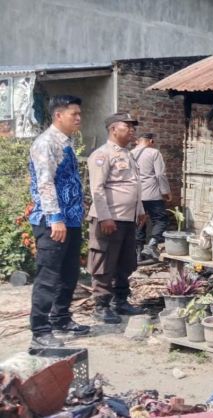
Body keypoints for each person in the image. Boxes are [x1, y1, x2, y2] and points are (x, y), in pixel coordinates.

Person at [27, 95, 89, 348]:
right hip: (53, 221)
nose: (78, 118)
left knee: (69, 272)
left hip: (70, 220)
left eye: (79, 114)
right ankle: (40, 330)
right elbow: (45, 182)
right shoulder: (46, 143)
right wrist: (55, 218)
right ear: (58, 115)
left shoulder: (66, 142)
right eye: (74, 114)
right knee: (49, 275)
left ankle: (61, 317)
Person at [87, 112, 147, 324]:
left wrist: (139, 209)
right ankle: (101, 306)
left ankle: (120, 301)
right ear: (113, 129)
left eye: (133, 127)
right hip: (109, 219)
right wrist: (105, 217)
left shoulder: (128, 154)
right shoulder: (102, 155)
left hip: (127, 218)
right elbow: (97, 189)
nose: (132, 131)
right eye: (127, 127)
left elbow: (134, 185)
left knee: (125, 262)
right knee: (104, 261)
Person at [131, 133, 171, 261]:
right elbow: (160, 174)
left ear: (137, 141)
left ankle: (137, 253)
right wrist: (166, 192)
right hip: (152, 195)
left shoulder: (129, 154)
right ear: (151, 141)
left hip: (135, 195)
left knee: (139, 222)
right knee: (161, 219)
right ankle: (152, 245)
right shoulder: (154, 153)